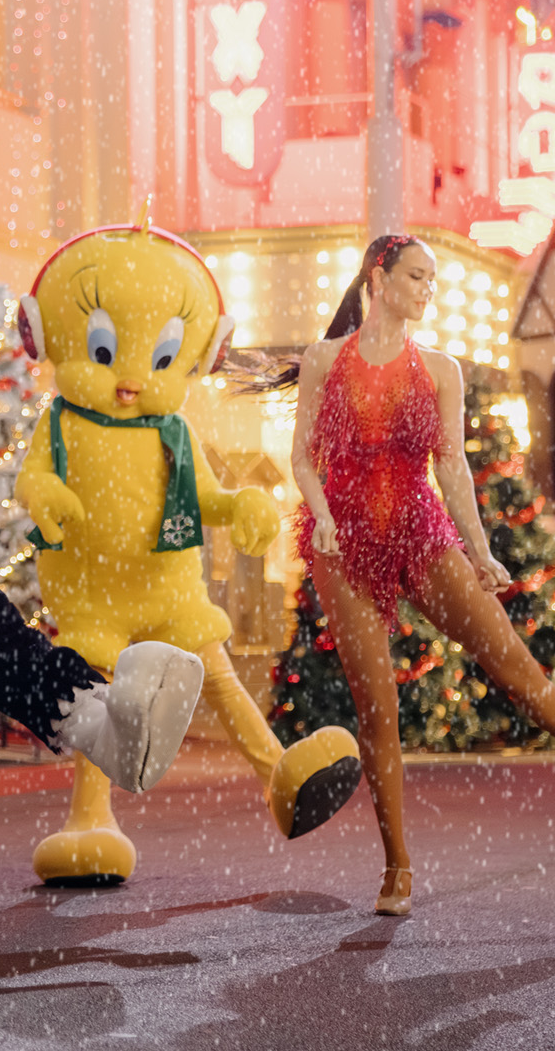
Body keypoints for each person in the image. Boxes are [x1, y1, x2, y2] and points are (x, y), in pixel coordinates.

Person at [265, 234, 555, 915]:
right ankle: (398, 869)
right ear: (380, 276)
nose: (428, 290)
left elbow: (451, 467)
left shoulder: (441, 369)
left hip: (421, 534)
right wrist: (322, 516)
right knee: (378, 708)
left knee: (516, 670)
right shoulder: (324, 361)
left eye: (433, 280)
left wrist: (480, 551)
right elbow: (304, 458)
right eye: (418, 277)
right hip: (342, 549)